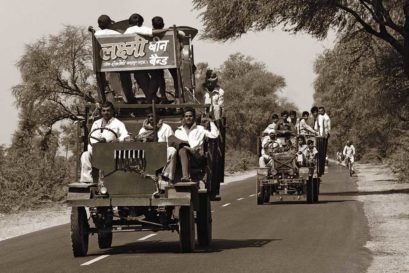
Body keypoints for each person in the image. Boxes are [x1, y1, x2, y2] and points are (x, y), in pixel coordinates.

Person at [80, 102, 130, 183]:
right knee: (85, 155)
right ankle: (87, 181)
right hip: (96, 151)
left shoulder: (118, 123)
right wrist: (98, 143)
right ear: (101, 112)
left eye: (108, 110)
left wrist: (117, 140)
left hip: (111, 152)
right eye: (104, 111)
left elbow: (125, 136)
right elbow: (91, 137)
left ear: (112, 111)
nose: (106, 113)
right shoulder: (96, 123)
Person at [171, 107, 219, 182]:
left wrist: (211, 121)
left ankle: (185, 177)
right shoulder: (178, 131)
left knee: (183, 150)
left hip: (196, 157)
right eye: (186, 116)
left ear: (194, 117)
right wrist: (188, 148)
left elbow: (214, 135)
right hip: (180, 158)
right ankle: (179, 177)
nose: (188, 118)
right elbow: (176, 144)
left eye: (190, 116)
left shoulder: (200, 129)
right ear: (183, 118)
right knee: (181, 150)